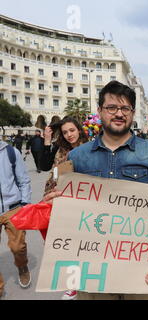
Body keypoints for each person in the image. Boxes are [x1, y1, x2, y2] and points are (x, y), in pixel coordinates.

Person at [43, 81, 148, 300]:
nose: (119, 113)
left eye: (125, 108)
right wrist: (54, 204)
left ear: (133, 113)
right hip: (91, 267)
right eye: (111, 108)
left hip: (142, 264)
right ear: (100, 111)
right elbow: (65, 208)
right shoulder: (77, 157)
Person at [40, 117, 88, 300]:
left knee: (86, 245)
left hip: (85, 202)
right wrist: (46, 140)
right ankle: (73, 284)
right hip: (61, 202)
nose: (69, 135)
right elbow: (44, 166)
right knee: (67, 246)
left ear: (79, 130)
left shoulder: (91, 147)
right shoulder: (60, 150)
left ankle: (90, 280)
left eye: (72, 131)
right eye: (65, 132)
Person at [0, 140, 32, 298]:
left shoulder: (11, 153)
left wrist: (25, 204)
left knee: (18, 247)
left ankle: (22, 267)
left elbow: (23, 180)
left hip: (13, 207)